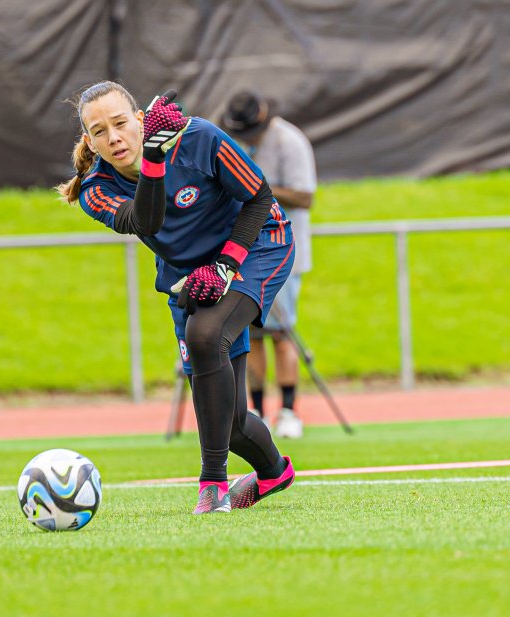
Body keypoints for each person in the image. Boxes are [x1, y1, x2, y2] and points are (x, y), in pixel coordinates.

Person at [56, 81, 296, 514]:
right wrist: (153, 160)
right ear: (88, 141)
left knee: (204, 334)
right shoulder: (95, 189)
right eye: (99, 131)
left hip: (259, 244)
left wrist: (225, 265)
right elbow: (145, 220)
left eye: (121, 123)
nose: (113, 137)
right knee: (231, 422)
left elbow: (260, 199)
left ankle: (212, 486)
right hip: (190, 278)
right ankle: (274, 471)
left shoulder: (198, 136)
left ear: (140, 119)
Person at [221, 90, 318, 439]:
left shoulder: (289, 141)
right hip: (246, 251)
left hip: (284, 251)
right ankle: (258, 410)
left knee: (281, 332)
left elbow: (305, 196)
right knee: (253, 335)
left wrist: (257, 189)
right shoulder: (234, 142)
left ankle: (289, 410)